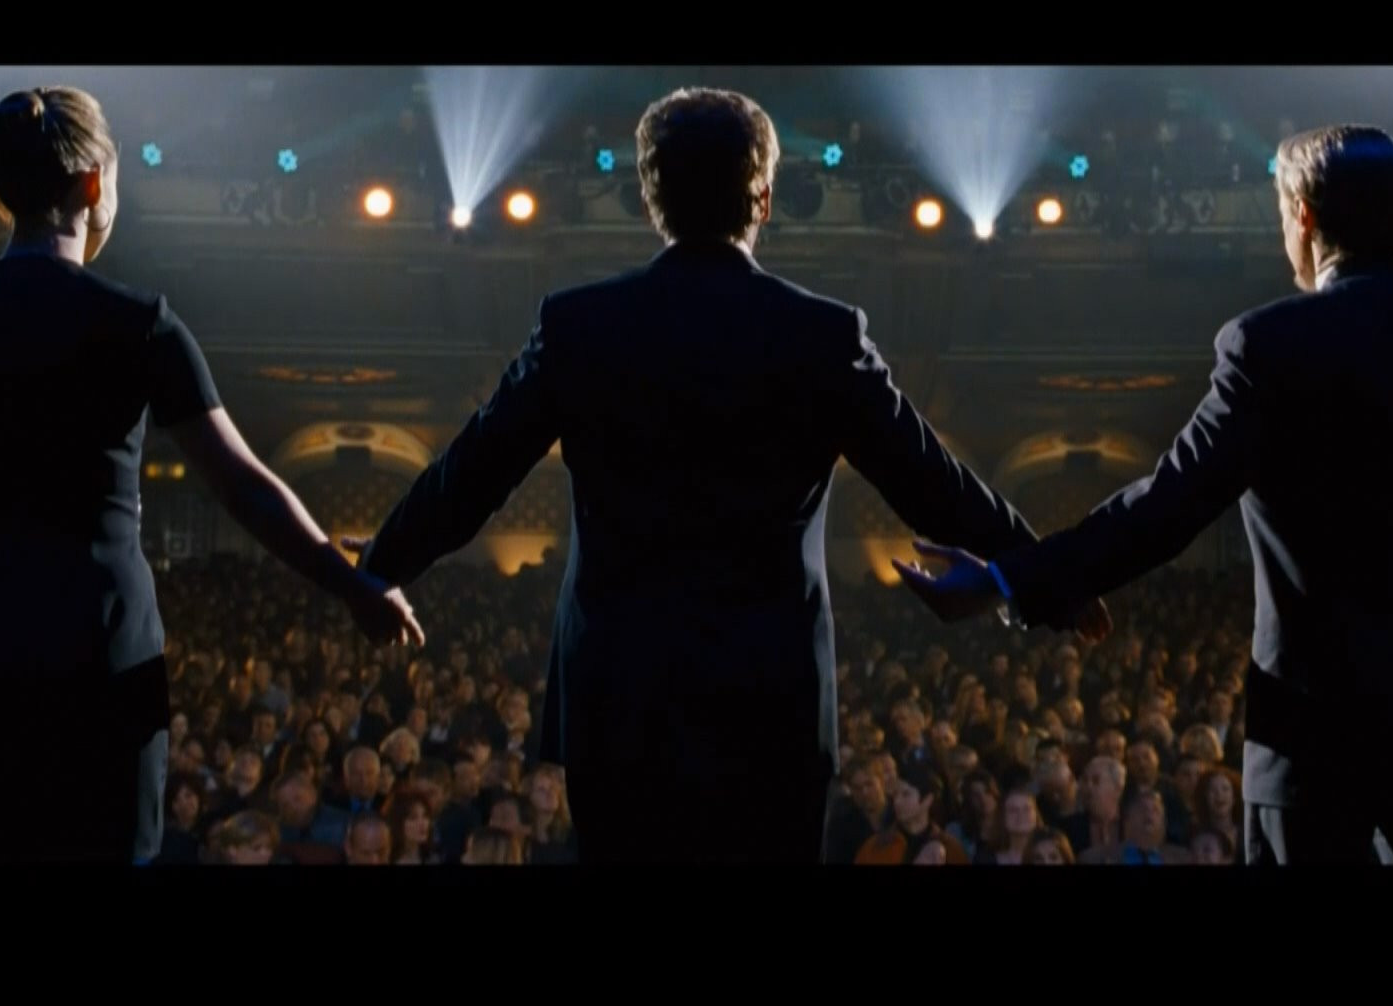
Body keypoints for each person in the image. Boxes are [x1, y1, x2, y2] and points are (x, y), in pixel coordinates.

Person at [897, 124, 1393, 865]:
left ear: (1304, 217)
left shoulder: (1268, 347)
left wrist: (1010, 578)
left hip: (1314, 743)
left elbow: (1164, 509)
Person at [356, 87, 1105, 864]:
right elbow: (935, 484)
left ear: (651, 197)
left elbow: (471, 476)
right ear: (765, 197)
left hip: (620, 708)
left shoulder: (579, 327)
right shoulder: (823, 336)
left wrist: (376, 567)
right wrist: (1050, 580)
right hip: (770, 711)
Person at [0, 87, 420, 863]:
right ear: (90, 185)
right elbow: (241, 485)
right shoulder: (138, 322)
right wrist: (350, 583)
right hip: (101, 641)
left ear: (0, 193)